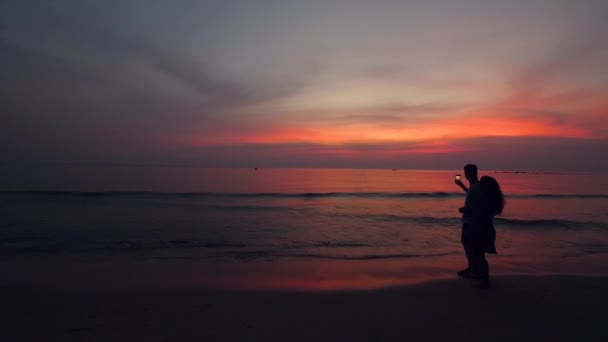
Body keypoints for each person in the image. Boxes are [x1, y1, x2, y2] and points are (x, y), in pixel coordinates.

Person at [454, 165, 504, 288]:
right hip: (473, 222)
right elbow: (471, 195)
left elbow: (477, 205)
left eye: (465, 172)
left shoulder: (477, 188)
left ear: (468, 173)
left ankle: (479, 274)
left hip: (473, 223)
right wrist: (461, 186)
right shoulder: (475, 187)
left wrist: (464, 208)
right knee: (473, 248)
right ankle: (475, 271)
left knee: (475, 250)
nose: (465, 174)